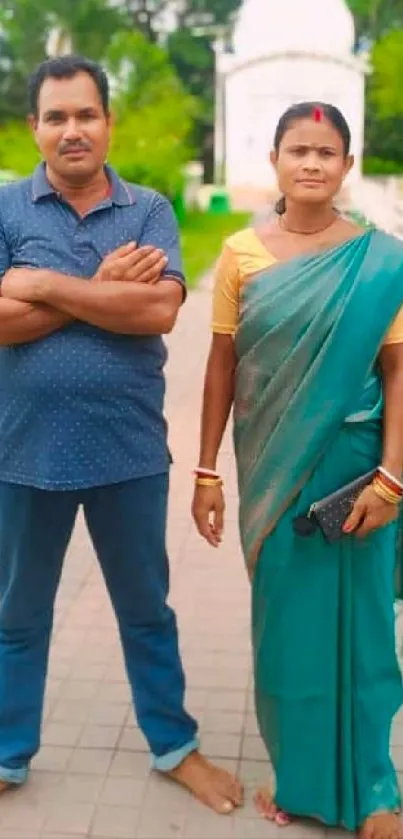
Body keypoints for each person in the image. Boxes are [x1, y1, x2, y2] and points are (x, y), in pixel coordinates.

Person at [0, 54, 243, 814]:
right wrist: (104, 290)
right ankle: (8, 755)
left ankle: (173, 744)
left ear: (108, 122)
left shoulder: (149, 210)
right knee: (15, 617)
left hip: (129, 453)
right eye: (56, 116)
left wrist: (39, 284)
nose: (72, 130)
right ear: (35, 127)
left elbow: (159, 312)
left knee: (147, 609)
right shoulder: (7, 210)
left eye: (86, 114)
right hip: (21, 454)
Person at [192, 101, 403, 839]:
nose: (311, 162)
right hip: (274, 474)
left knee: (367, 624)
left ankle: (376, 786)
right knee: (286, 630)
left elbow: (397, 370)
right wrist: (205, 472)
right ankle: (299, 779)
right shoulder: (239, 254)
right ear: (275, 161)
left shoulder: (380, 261)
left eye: (326, 151)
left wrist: (392, 477)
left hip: (359, 470)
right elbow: (220, 367)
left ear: (347, 166)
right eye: (297, 149)